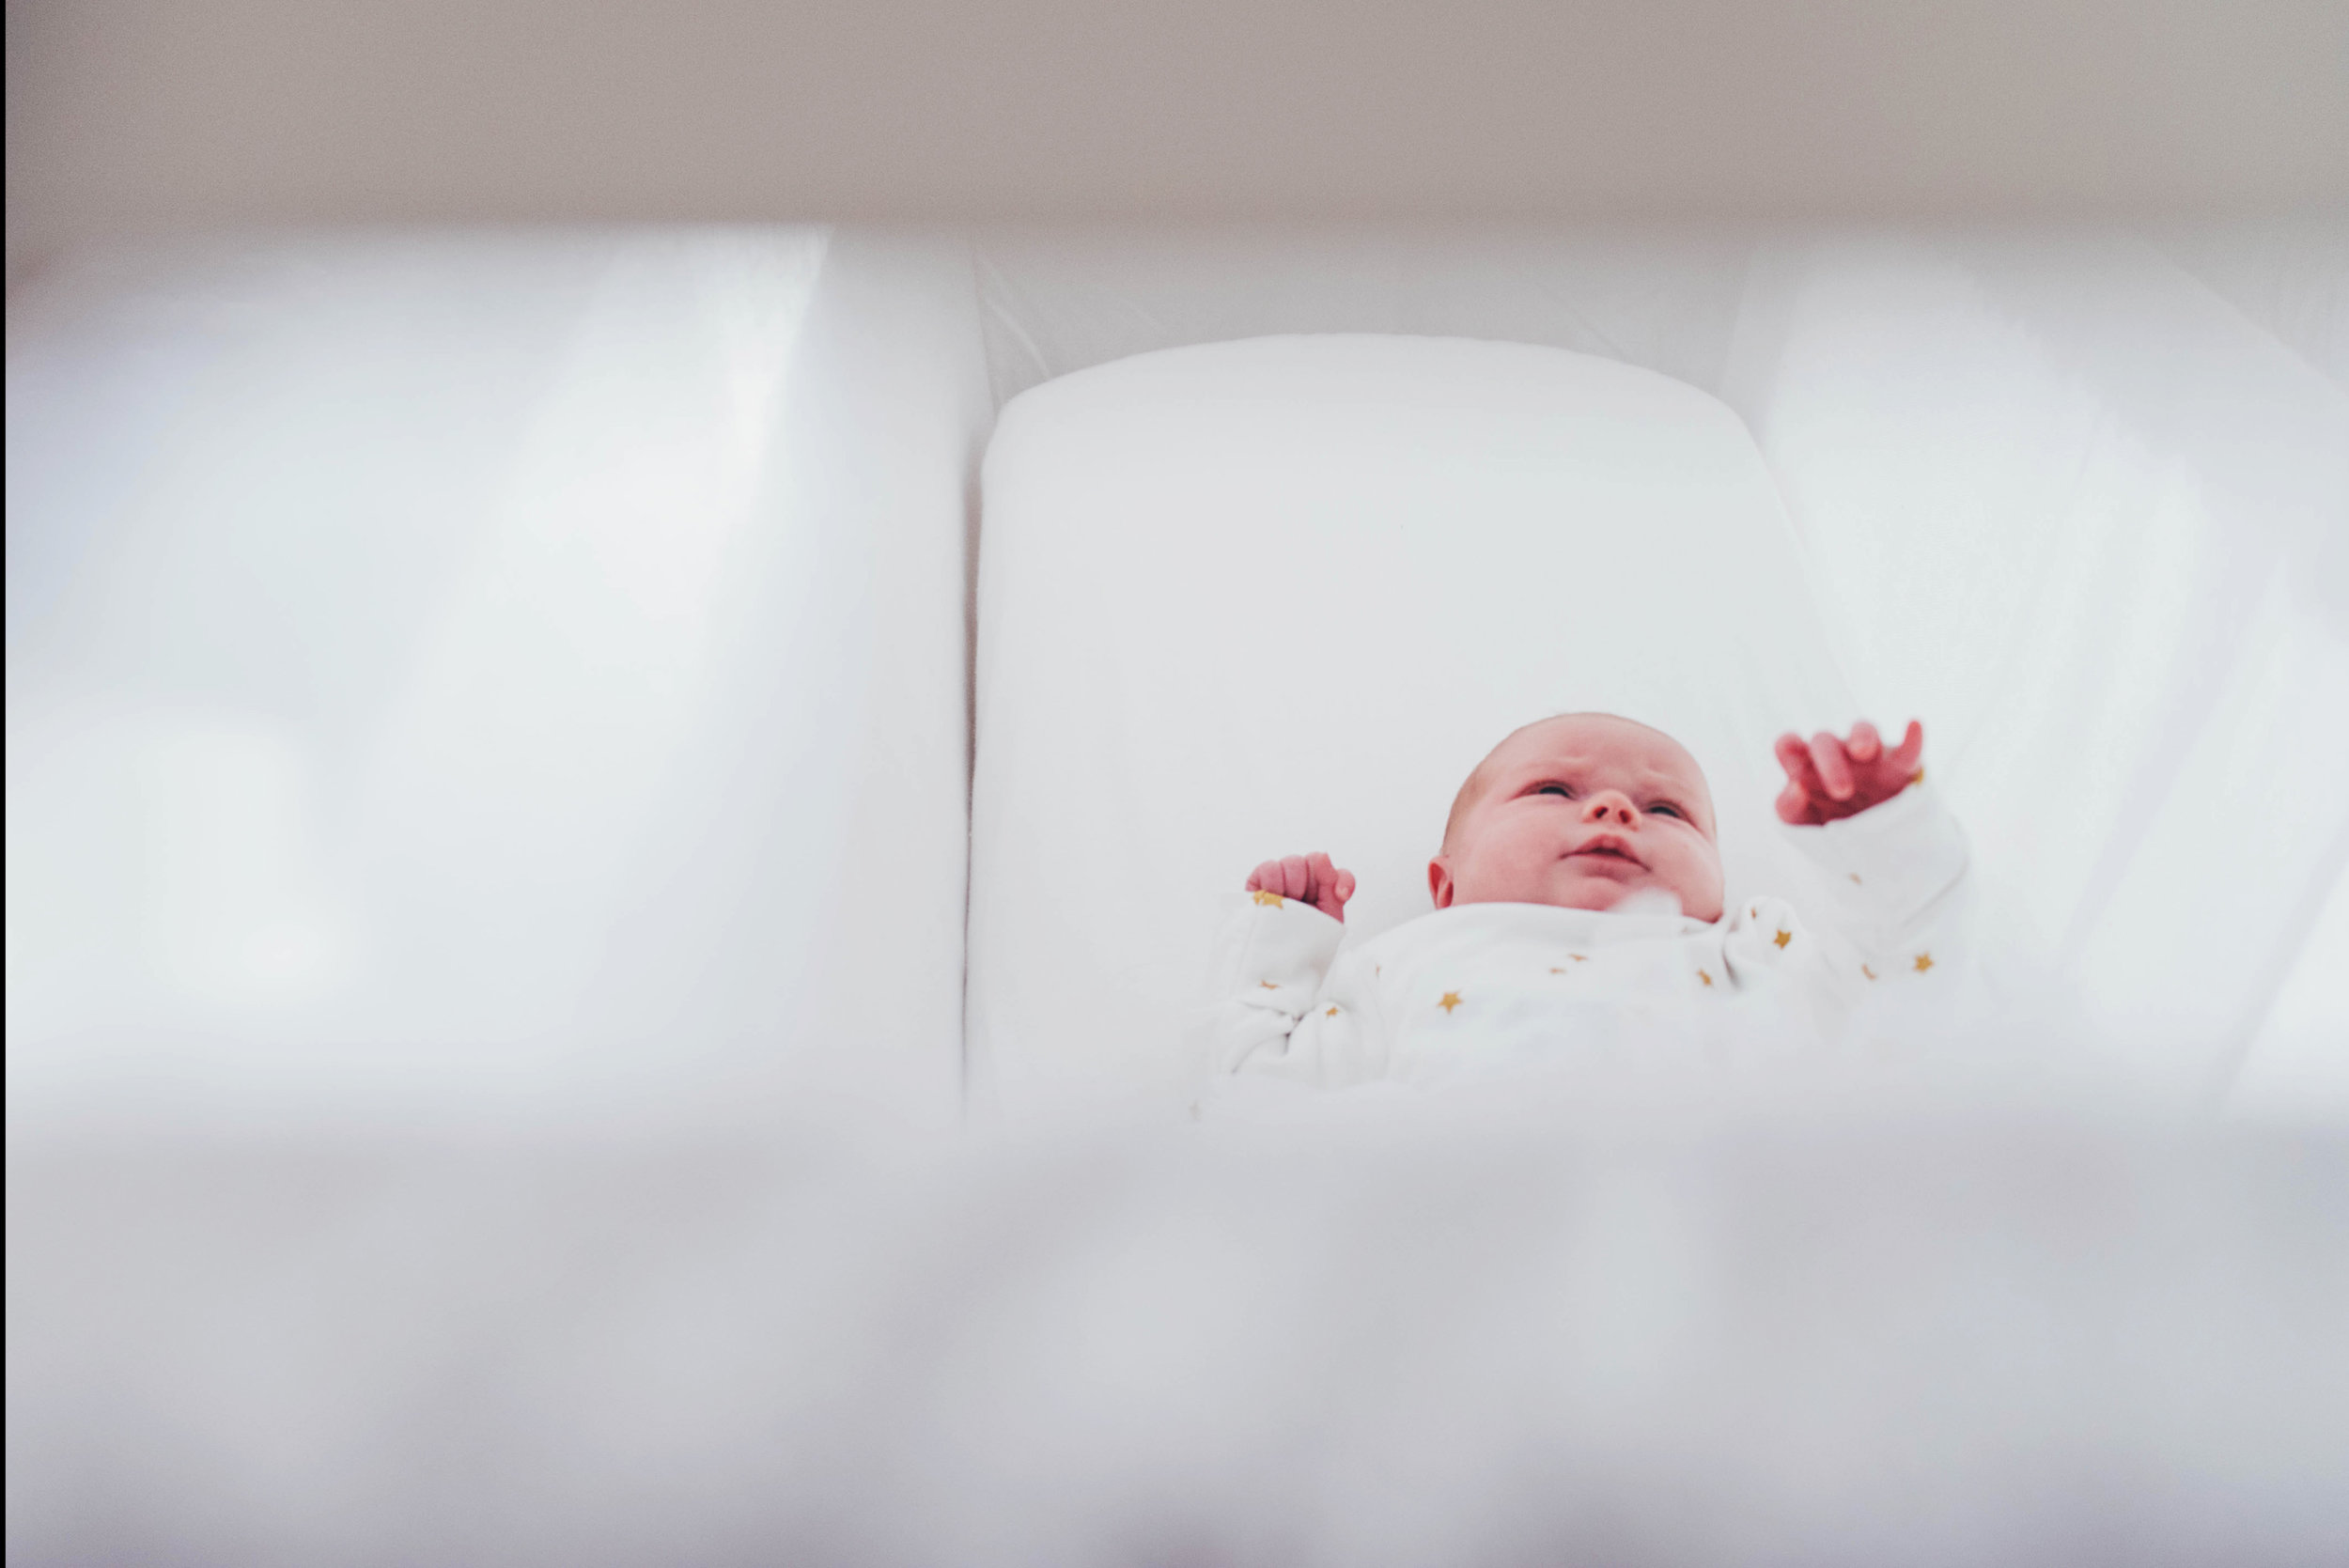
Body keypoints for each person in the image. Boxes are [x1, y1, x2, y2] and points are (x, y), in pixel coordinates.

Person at [1206, 712, 1968, 1087]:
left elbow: (1903, 994)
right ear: (1445, 885)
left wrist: (1877, 837)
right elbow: (1258, 1110)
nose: (1614, 810)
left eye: (1668, 811)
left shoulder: (1748, 944)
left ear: (1720, 883)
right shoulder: (1403, 962)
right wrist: (1278, 955)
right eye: (1552, 790)